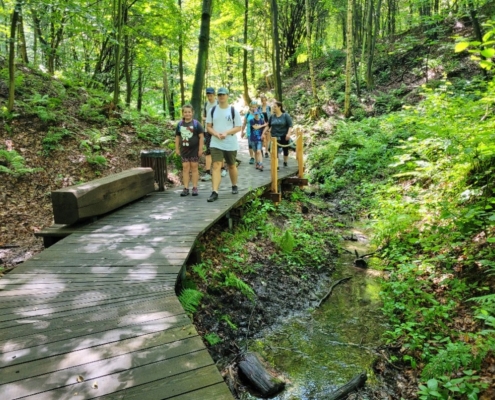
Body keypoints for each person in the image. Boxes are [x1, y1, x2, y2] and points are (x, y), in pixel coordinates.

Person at [205, 87, 242, 202]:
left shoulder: (233, 111)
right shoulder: (212, 110)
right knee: (216, 165)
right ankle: (214, 191)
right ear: (217, 96)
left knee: (231, 165)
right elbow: (208, 126)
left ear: (227, 96)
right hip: (216, 142)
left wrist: (226, 132)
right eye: (219, 95)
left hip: (230, 142)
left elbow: (238, 127)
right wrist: (216, 134)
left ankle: (234, 184)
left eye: (223, 94)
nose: (221, 97)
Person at [175, 104, 204, 196]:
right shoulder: (180, 124)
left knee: (194, 167)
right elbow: (177, 137)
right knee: (185, 168)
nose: (187, 114)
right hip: (184, 150)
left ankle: (195, 187)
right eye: (185, 112)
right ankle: (186, 188)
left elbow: (201, 137)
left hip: (194, 150)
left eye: (189, 112)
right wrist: (176, 148)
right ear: (183, 113)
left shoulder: (196, 124)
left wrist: (200, 149)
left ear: (192, 113)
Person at [262, 100, 293, 168]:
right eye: (273, 107)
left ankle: (285, 162)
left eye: (275, 107)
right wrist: (263, 133)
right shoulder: (272, 116)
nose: (273, 108)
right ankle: (277, 165)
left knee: (285, 150)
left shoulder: (285, 115)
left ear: (279, 107)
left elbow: (290, 125)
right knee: (273, 151)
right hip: (274, 137)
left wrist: (288, 134)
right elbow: (268, 126)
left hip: (284, 136)